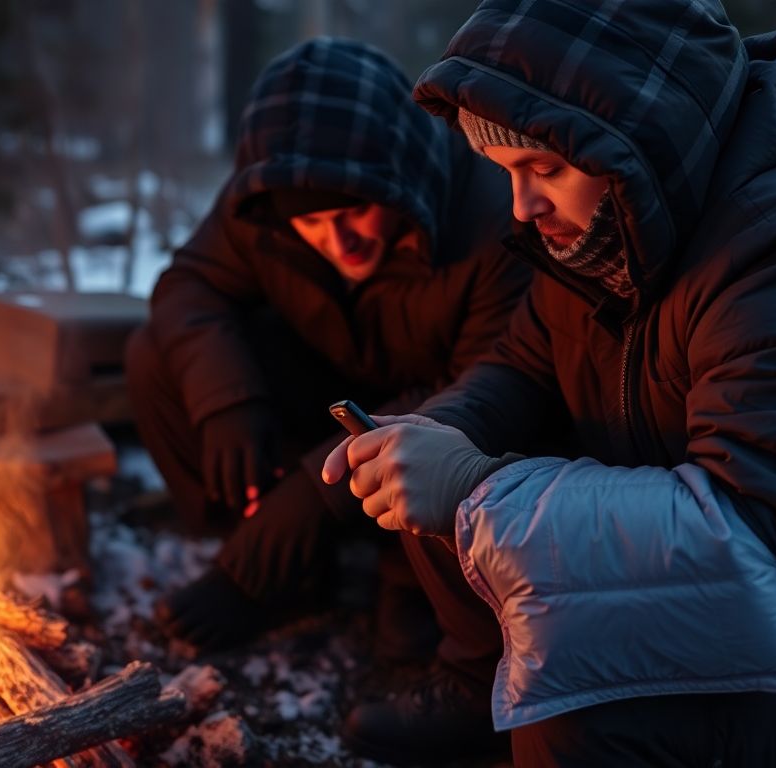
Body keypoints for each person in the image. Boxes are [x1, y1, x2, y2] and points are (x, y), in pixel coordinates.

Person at [322, 1, 776, 765]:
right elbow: (519, 373)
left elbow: (766, 552)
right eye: (506, 172)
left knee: (589, 707)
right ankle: (487, 690)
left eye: (545, 168)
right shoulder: (616, 225)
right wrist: (440, 438)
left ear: (641, 141)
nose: (522, 204)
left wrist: (474, 487)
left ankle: (531, 716)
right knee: (455, 469)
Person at [126, 37, 528, 653]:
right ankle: (270, 557)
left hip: (432, 420)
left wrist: (314, 496)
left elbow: (482, 395)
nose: (337, 241)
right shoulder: (266, 199)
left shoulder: (489, 225)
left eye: (354, 211)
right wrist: (228, 400)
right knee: (158, 355)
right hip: (326, 387)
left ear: (397, 179)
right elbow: (191, 285)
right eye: (311, 223)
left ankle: (397, 578)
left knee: (409, 627)